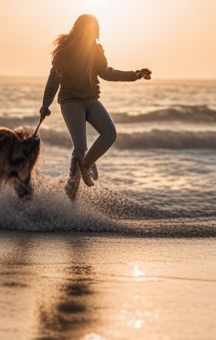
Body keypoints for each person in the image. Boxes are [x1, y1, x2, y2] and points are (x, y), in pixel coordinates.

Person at [39, 14, 151, 200]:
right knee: (80, 147)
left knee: (110, 134)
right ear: (79, 29)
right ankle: (71, 192)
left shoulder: (96, 50)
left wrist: (135, 74)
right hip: (71, 101)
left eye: (94, 30)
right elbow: (53, 80)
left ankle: (85, 165)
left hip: (91, 100)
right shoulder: (65, 51)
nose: (91, 33)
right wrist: (45, 105)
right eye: (88, 29)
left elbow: (107, 73)